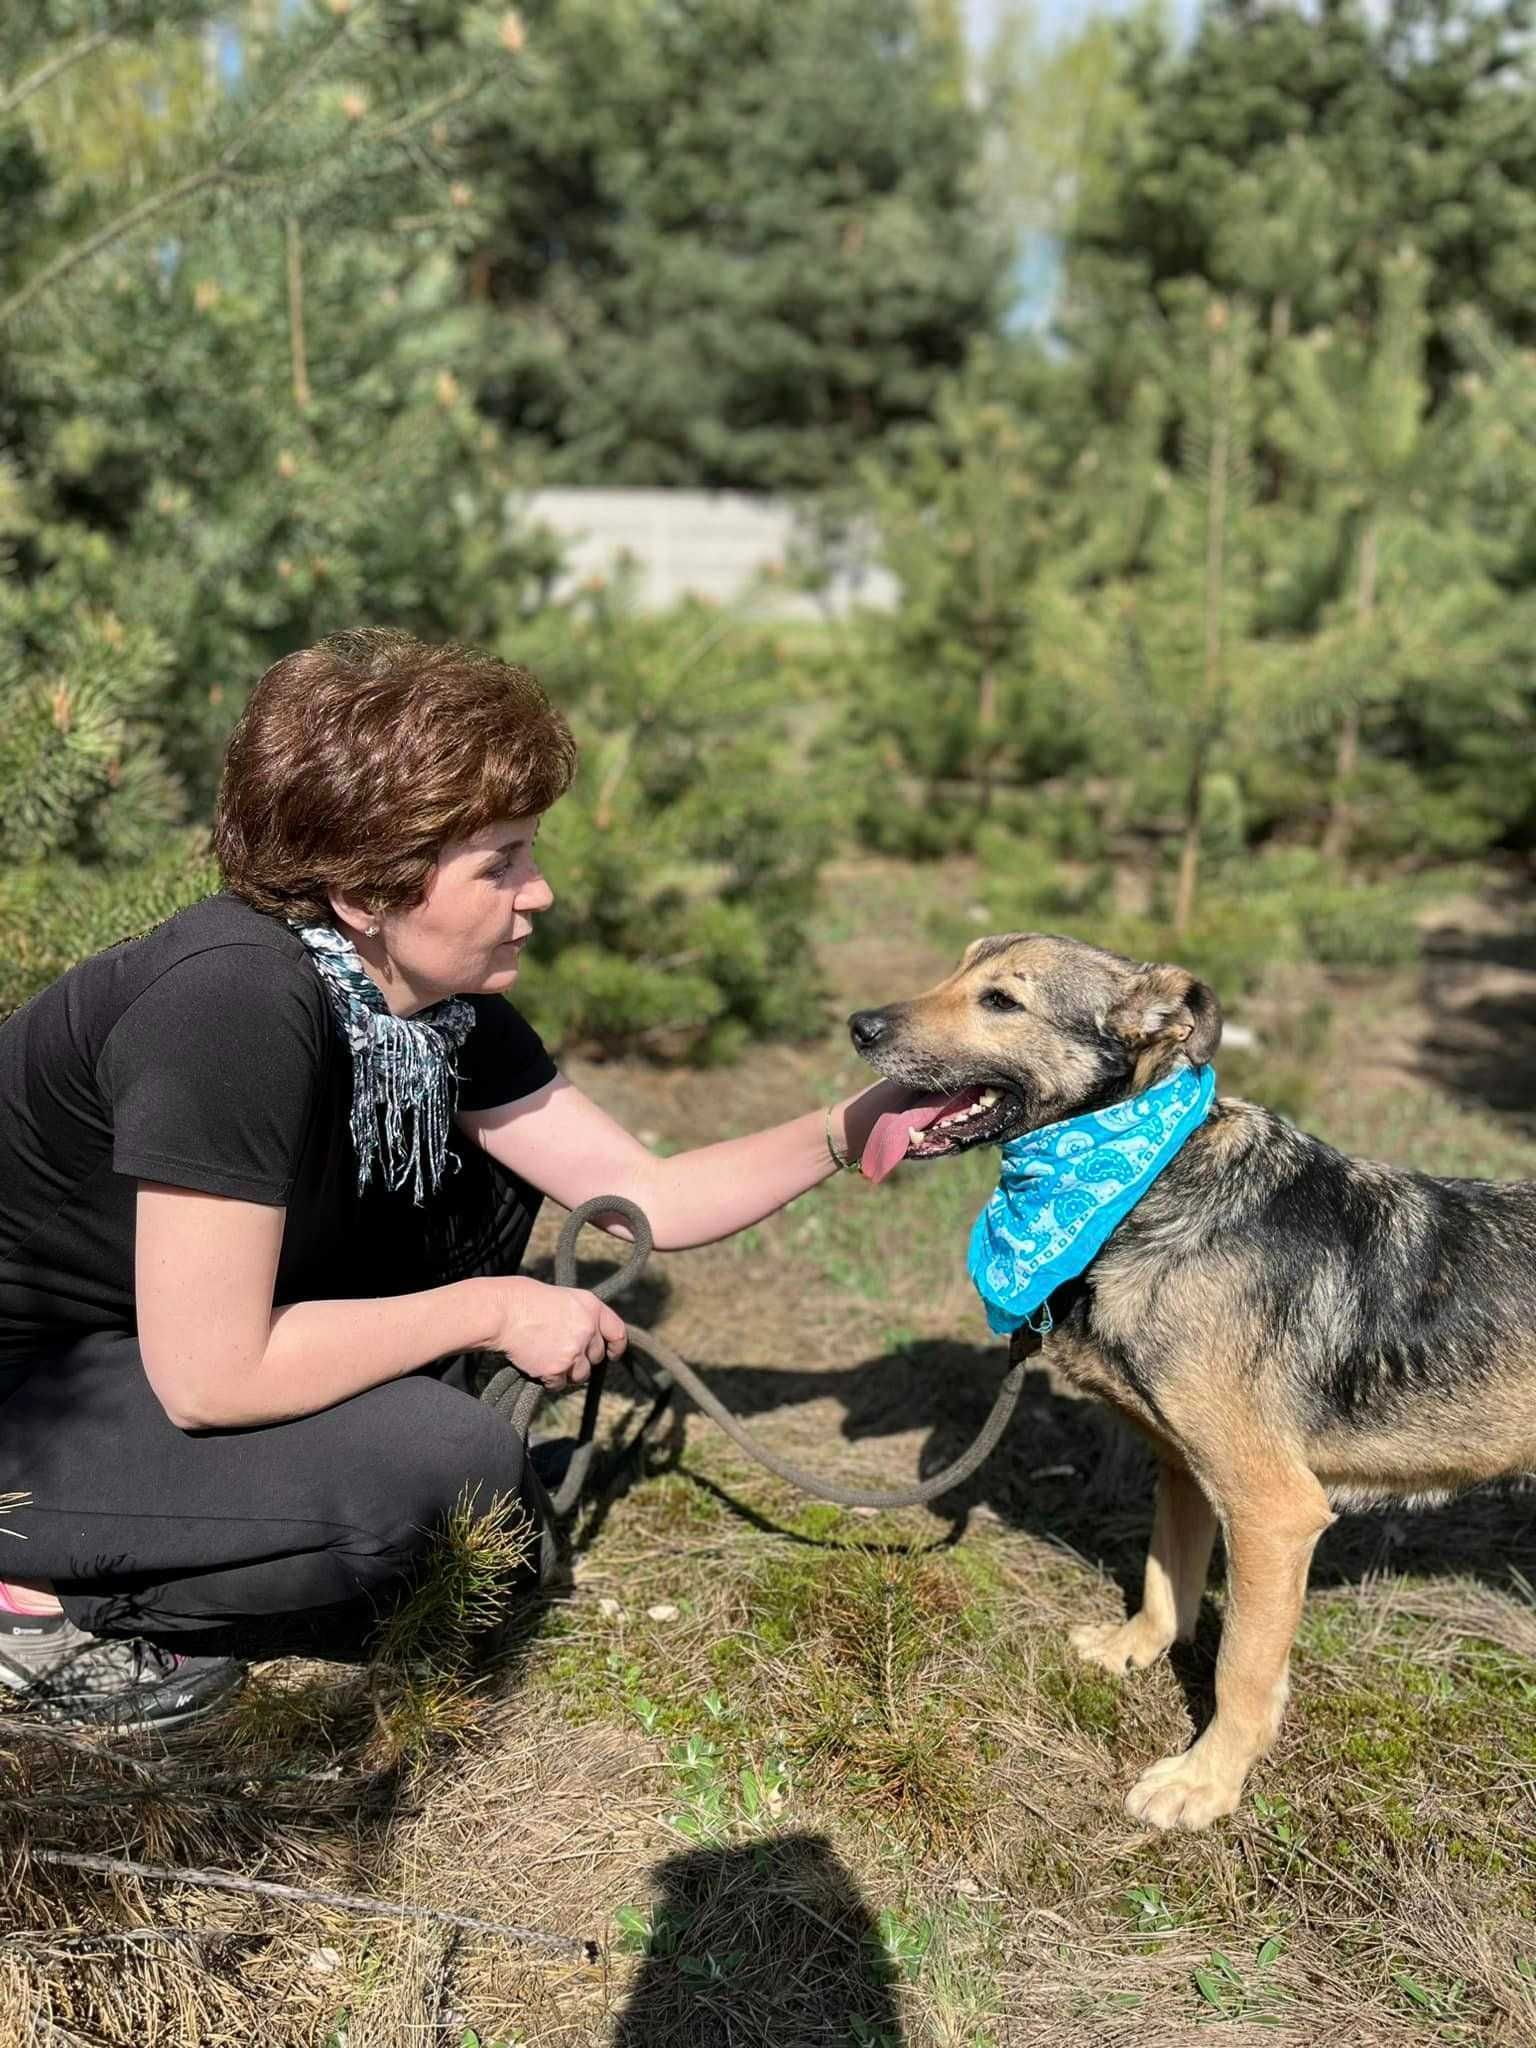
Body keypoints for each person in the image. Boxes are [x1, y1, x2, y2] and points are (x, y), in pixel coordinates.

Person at [0, 628, 909, 1730]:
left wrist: (861, 1119)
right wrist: (494, 1307)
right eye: (502, 861)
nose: (544, 891)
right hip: (38, 1398)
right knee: (443, 1477)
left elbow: (642, 1195)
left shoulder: (429, 1005)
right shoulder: (229, 1005)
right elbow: (211, 1374)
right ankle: (33, 1603)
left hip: (141, 1352)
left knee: (476, 1218)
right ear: (363, 888)